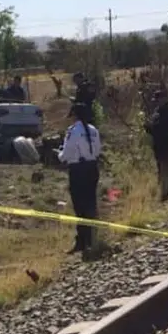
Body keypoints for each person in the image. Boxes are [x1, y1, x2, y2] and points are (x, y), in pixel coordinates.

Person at [58, 103, 103, 256]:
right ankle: (92, 237)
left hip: (79, 170)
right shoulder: (93, 130)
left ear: (75, 116)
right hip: (92, 168)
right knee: (91, 203)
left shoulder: (73, 131)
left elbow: (67, 152)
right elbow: (98, 150)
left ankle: (83, 241)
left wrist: (60, 155)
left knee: (80, 206)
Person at [143, 89, 168, 201]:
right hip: (158, 144)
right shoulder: (156, 113)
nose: (157, 102)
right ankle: (166, 190)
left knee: (167, 166)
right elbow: (154, 129)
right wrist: (148, 127)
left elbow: (167, 127)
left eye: (158, 100)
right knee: (161, 166)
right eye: (156, 100)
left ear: (164, 99)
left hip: (166, 142)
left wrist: (153, 128)